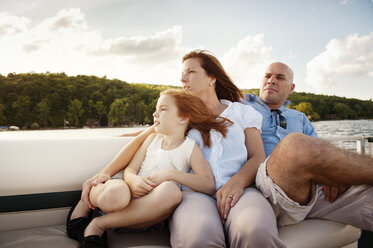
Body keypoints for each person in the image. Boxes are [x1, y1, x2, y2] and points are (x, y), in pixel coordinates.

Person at [67, 89, 232, 248]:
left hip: (144, 212)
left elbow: (208, 183)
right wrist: (133, 181)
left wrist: (171, 174)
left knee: (172, 191)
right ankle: (85, 201)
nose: (155, 113)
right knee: (117, 194)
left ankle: (97, 225)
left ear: (183, 117)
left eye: (163, 109)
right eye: (155, 109)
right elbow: (130, 170)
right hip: (124, 195)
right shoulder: (152, 138)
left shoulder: (190, 147)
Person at [243, 62, 373, 242]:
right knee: (296, 144)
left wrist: (332, 173)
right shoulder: (241, 108)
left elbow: (319, 154)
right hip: (266, 188)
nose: (271, 81)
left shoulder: (300, 118)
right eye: (267, 76)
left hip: (313, 191)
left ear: (291, 88)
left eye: (280, 78)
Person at [169, 50, 285, 248]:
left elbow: (257, 157)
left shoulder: (243, 112)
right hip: (194, 193)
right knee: (198, 237)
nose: (182, 78)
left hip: (242, 190)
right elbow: (145, 137)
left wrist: (237, 182)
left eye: (190, 72)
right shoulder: (179, 116)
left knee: (256, 231)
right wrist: (107, 172)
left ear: (211, 77)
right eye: (182, 74)